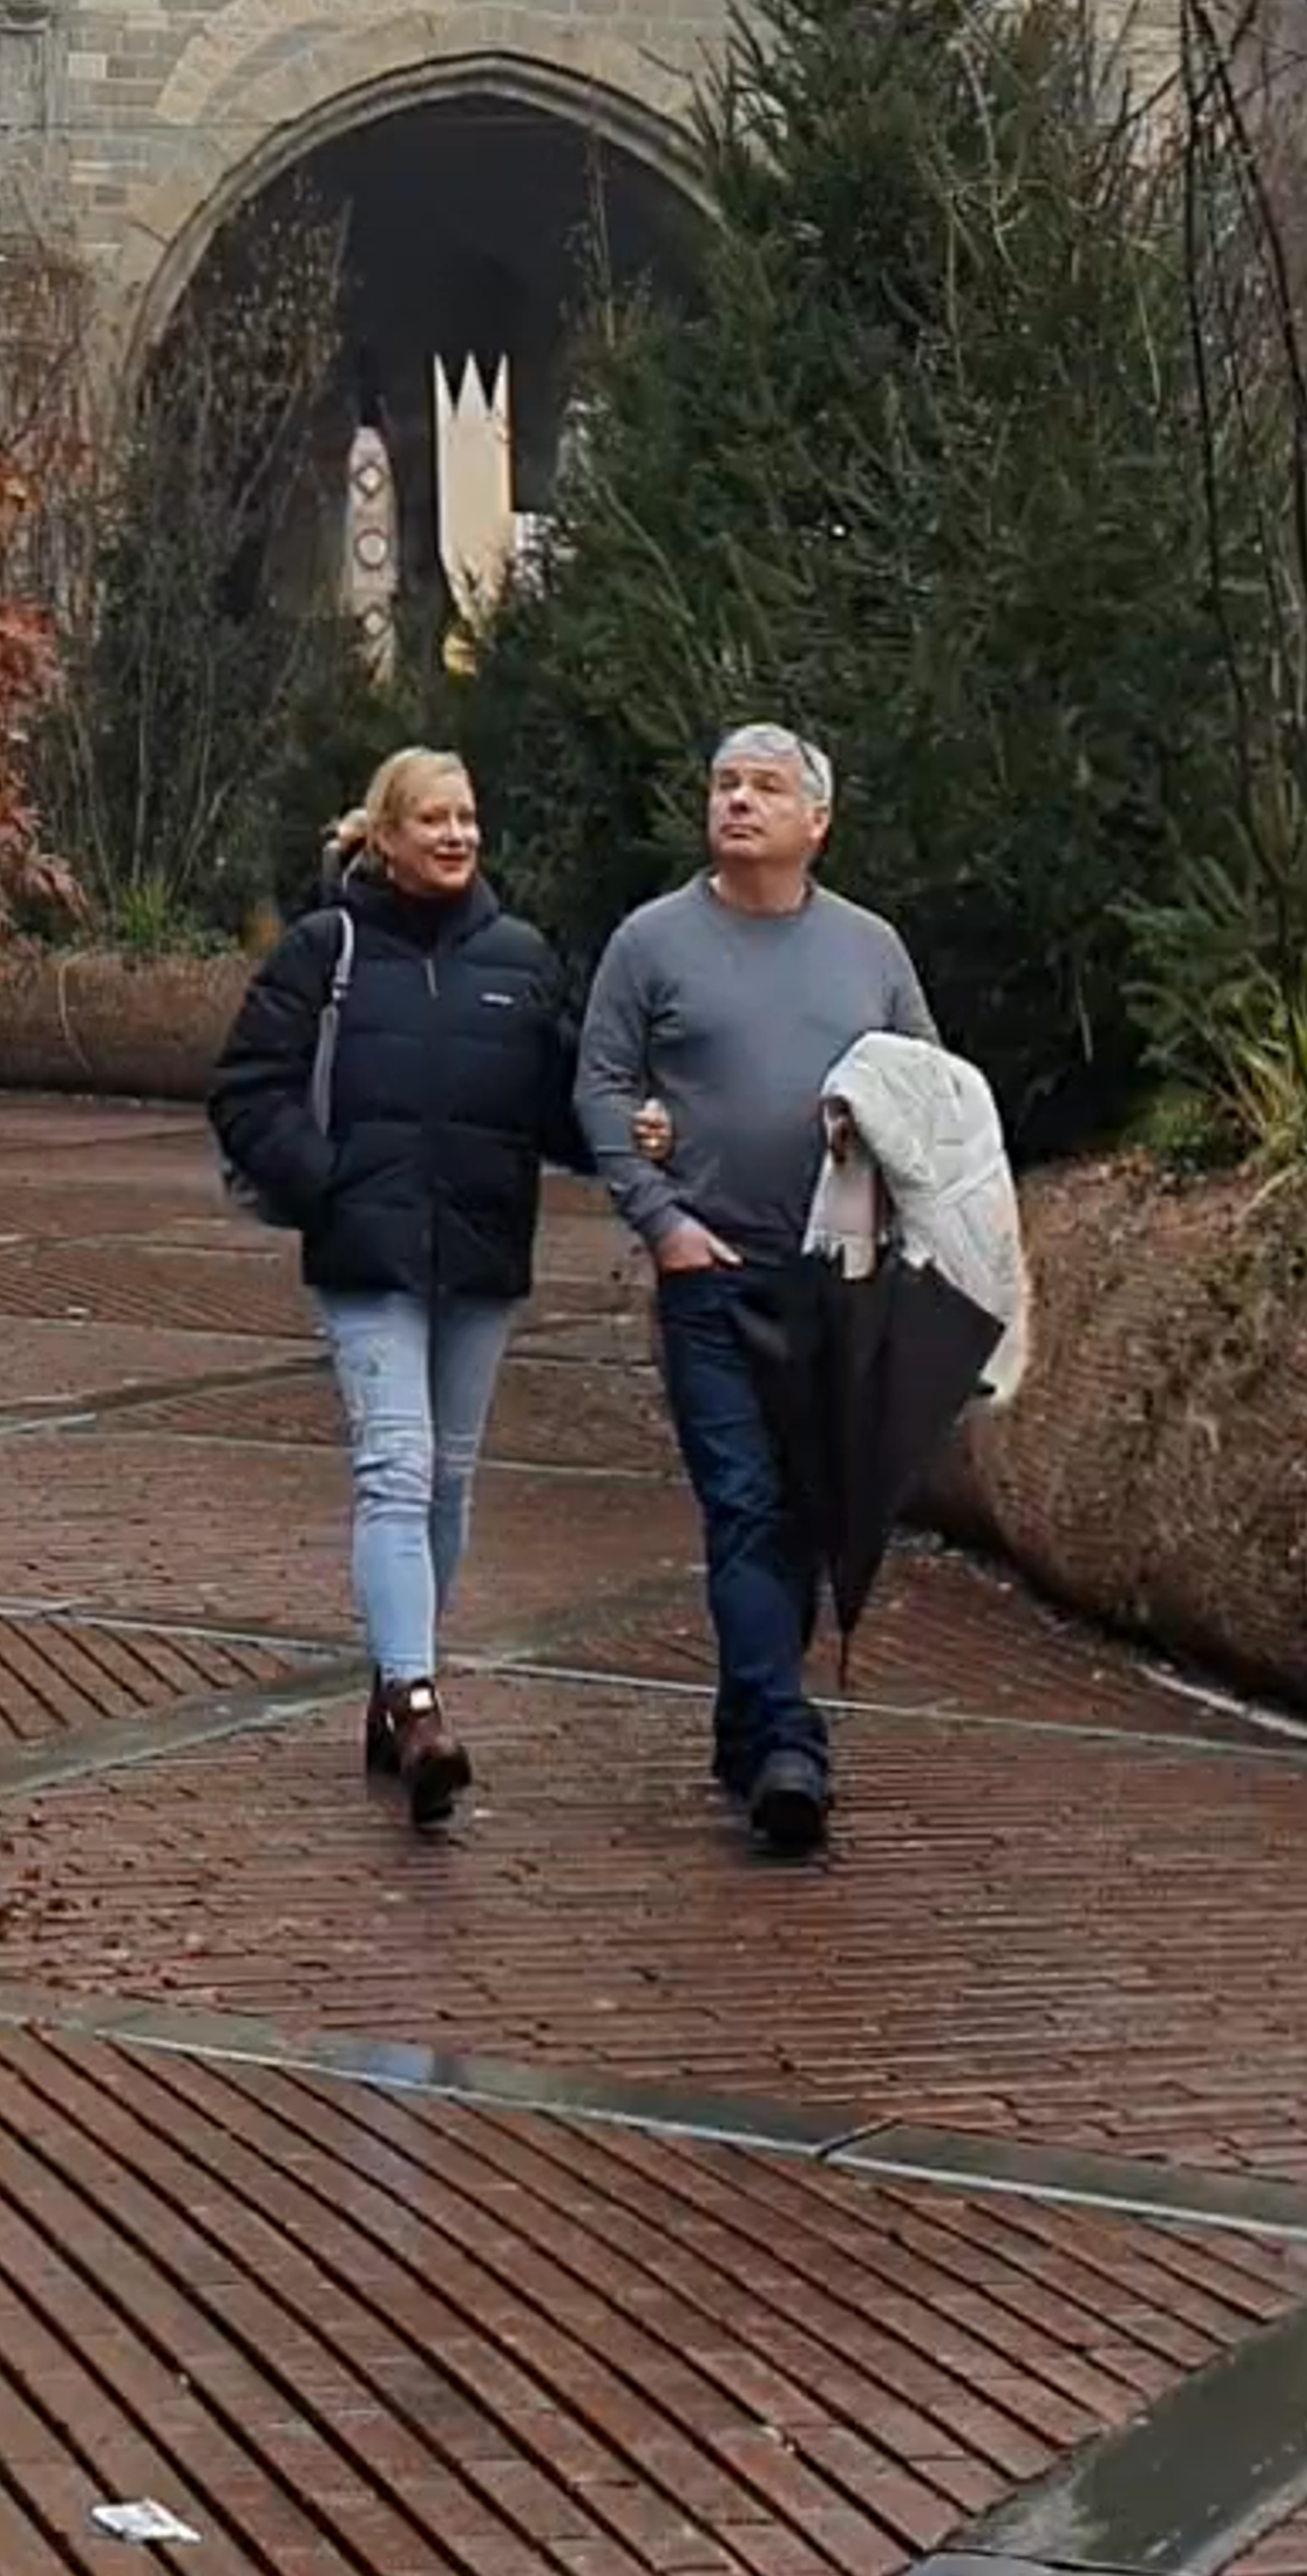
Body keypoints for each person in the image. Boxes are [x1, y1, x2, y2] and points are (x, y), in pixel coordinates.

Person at [574, 722, 935, 1859]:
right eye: (725, 783)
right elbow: (600, 1083)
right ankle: (787, 1741)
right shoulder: (651, 941)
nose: (738, 800)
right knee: (742, 1503)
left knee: (808, 1513)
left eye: (766, 786)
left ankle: (746, 1726)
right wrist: (661, 1218)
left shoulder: (871, 949)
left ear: (816, 820)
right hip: (711, 1277)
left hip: (834, 1282)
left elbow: (930, 1089)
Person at [208, 746, 576, 1830]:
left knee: (448, 1480)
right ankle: (417, 1701)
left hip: (480, 1256)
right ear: (384, 834)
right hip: (368, 1255)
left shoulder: (520, 957)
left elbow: (561, 1106)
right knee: (396, 1466)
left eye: (467, 816)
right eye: (432, 818)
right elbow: (248, 1087)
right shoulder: (326, 948)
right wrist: (326, 1183)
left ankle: (393, 1680)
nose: (456, 835)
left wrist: (641, 1125)